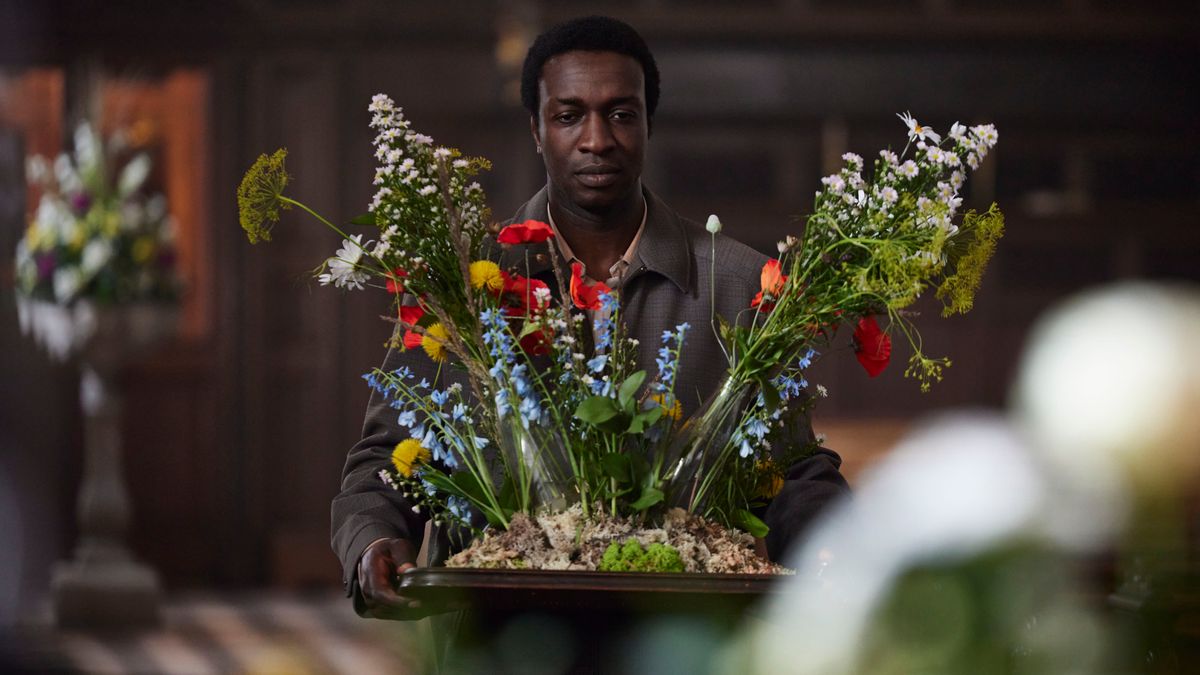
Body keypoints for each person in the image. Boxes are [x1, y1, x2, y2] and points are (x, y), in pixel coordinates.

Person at [331, 15, 850, 620]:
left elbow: (792, 469)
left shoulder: (741, 286)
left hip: (682, 638)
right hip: (500, 636)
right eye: (569, 114)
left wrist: (835, 548)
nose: (597, 139)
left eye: (621, 114)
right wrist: (371, 541)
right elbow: (384, 459)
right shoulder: (463, 286)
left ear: (649, 124)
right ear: (537, 128)